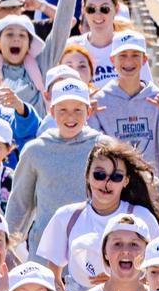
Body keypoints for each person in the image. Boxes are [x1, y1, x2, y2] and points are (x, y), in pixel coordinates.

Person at [36, 137, 159, 291]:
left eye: (116, 177)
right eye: (99, 174)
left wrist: (119, 281)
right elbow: (53, 275)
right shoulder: (66, 217)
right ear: (87, 175)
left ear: (126, 181)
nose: (107, 183)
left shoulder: (141, 217)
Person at [6, 77, 104, 263]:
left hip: (92, 251)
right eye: (63, 110)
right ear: (51, 111)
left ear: (88, 111)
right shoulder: (36, 150)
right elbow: (20, 202)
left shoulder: (103, 147)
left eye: (77, 109)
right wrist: (5, 244)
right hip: (45, 251)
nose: (70, 117)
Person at [90, 29, 159, 177]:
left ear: (144, 59)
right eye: (122, 55)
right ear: (112, 60)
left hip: (153, 190)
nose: (129, 61)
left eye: (135, 55)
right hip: (114, 191)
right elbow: (93, 153)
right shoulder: (100, 101)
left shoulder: (158, 100)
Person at [64, 213, 151, 291]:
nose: (125, 251)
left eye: (134, 244)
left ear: (147, 253)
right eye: (117, 244)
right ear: (105, 252)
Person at [67, 0, 151, 89]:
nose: (97, 15)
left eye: (104, 9)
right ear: (83, 10)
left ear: (116, 9)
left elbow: (148, 90)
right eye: (91, 9)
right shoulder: (72, 46)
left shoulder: (130, 45)